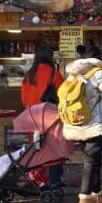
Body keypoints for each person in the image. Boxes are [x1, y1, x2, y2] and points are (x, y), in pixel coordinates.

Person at [63, 57, 102, 203]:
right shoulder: (98, 73)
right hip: (94, 123)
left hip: (77, 122)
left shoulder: (73, 74)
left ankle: (97, 194)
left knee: (93, 159)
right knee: (90, 161)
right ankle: (85, 197)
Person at [21, 45, 65, 188]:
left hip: (31, 118)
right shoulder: (53, 74)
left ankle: (37, 180)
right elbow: (63, 95)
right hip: (49, 118)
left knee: (36, 149)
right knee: (54, 150)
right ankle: (54, 181)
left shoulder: (29, 75)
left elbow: (23, 98)